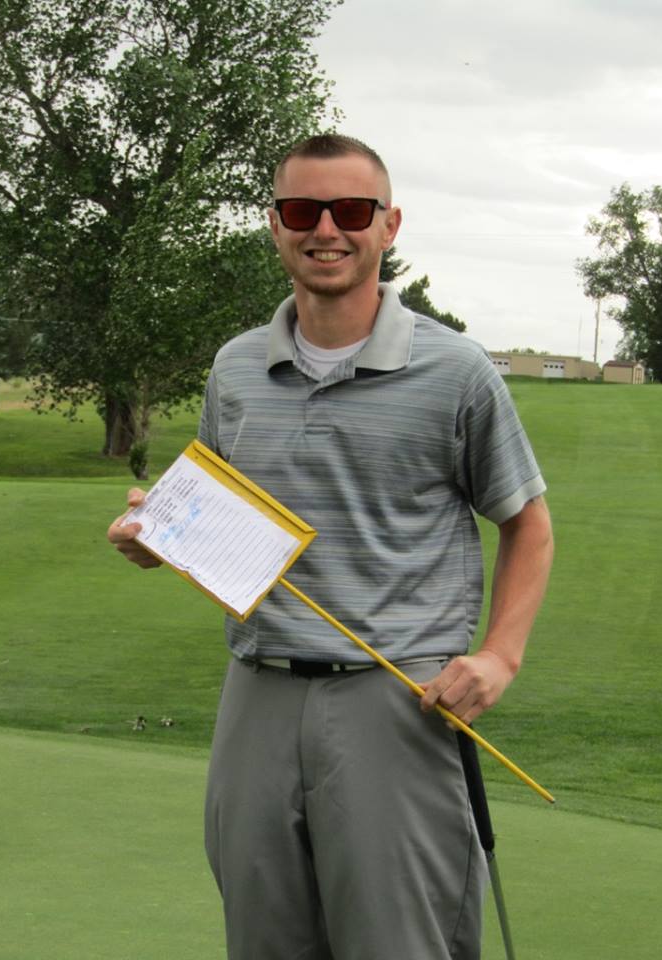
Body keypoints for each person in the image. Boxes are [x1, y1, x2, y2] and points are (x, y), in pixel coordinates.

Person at [108, 134, 553, 960]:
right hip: (257, 692)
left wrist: (499, 656)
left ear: (388, 226)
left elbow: (526, 521)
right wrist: (158, 537)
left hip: (397, 699)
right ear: (274, 224)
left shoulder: (456, 370)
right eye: (301, 210)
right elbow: (215, 513)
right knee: (264, 937)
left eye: (350, 210)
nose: (325, 229)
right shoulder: (236, 368)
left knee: (397, 943)